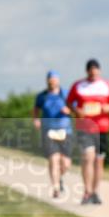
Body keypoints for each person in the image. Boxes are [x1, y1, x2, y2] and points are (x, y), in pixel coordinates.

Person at [67, 58, 109, 205]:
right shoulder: (78, 85)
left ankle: (95, 192)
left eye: (96, 73)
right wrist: (76, 110)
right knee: (87, 157)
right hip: (84, 127)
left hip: (102, 128)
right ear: (87, 72)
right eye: (91, 73)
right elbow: (69, 102)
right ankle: (87, 191)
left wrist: (108, 108)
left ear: (99, 71)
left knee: (98, 160)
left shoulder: (106, 85)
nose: (93, 75)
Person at [33, 70, 73, 199]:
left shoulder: (65, 94)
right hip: (48, 131)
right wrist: (36, 120)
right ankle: (55, 187)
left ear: (58, 81)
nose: (52, 83)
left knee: (66, 163)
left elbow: (76, 109)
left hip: (65, 131)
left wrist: (69, 110)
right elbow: (36, 109)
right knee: (53, 159)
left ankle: (59, 178)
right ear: (47, 81)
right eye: (50, 81)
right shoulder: (42, 96)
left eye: (54, 80)